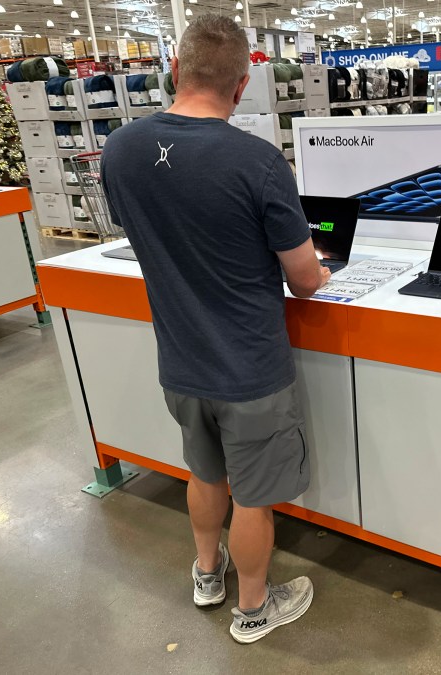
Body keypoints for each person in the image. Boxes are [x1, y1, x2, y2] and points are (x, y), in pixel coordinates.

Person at [100, 15, 331, 644]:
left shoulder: (119, 149)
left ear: (175, 70)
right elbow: (305, 280)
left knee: (205, 475)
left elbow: (144, 230)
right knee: (254, 496)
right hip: (249, 369)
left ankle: (207, 573)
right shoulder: (256, 161)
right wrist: (321, 272)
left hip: (180, 361)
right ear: (243, 83)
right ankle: (254, 609)